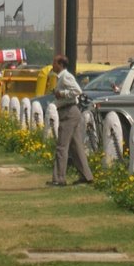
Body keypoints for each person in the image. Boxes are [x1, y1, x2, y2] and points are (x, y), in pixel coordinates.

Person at [48, 55, 94, 187]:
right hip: (71, 112)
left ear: (61, 64)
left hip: (69, 112)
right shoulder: (61, 77)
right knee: (76, 147)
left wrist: (61, 94)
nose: (52, 65)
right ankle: (86, 176)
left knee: (62, 146)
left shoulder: (65, 76)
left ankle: (59, 178)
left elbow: (77, 91)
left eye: (54, 62)